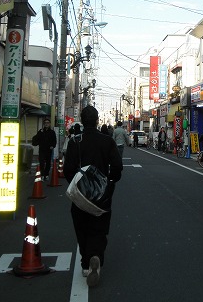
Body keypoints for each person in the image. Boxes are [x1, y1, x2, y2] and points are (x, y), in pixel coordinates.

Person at [64, 105, 123, 287]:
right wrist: (109, 183)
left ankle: (85, 263)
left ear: (82, 120)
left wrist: (77, 185)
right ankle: (96, 256)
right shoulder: (107, 141)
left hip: (81, 194)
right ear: (97, 120)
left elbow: (67, 170)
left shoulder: (76, 141)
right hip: (102, 195)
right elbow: (117, 168)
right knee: (99, 228)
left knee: (81, 228)